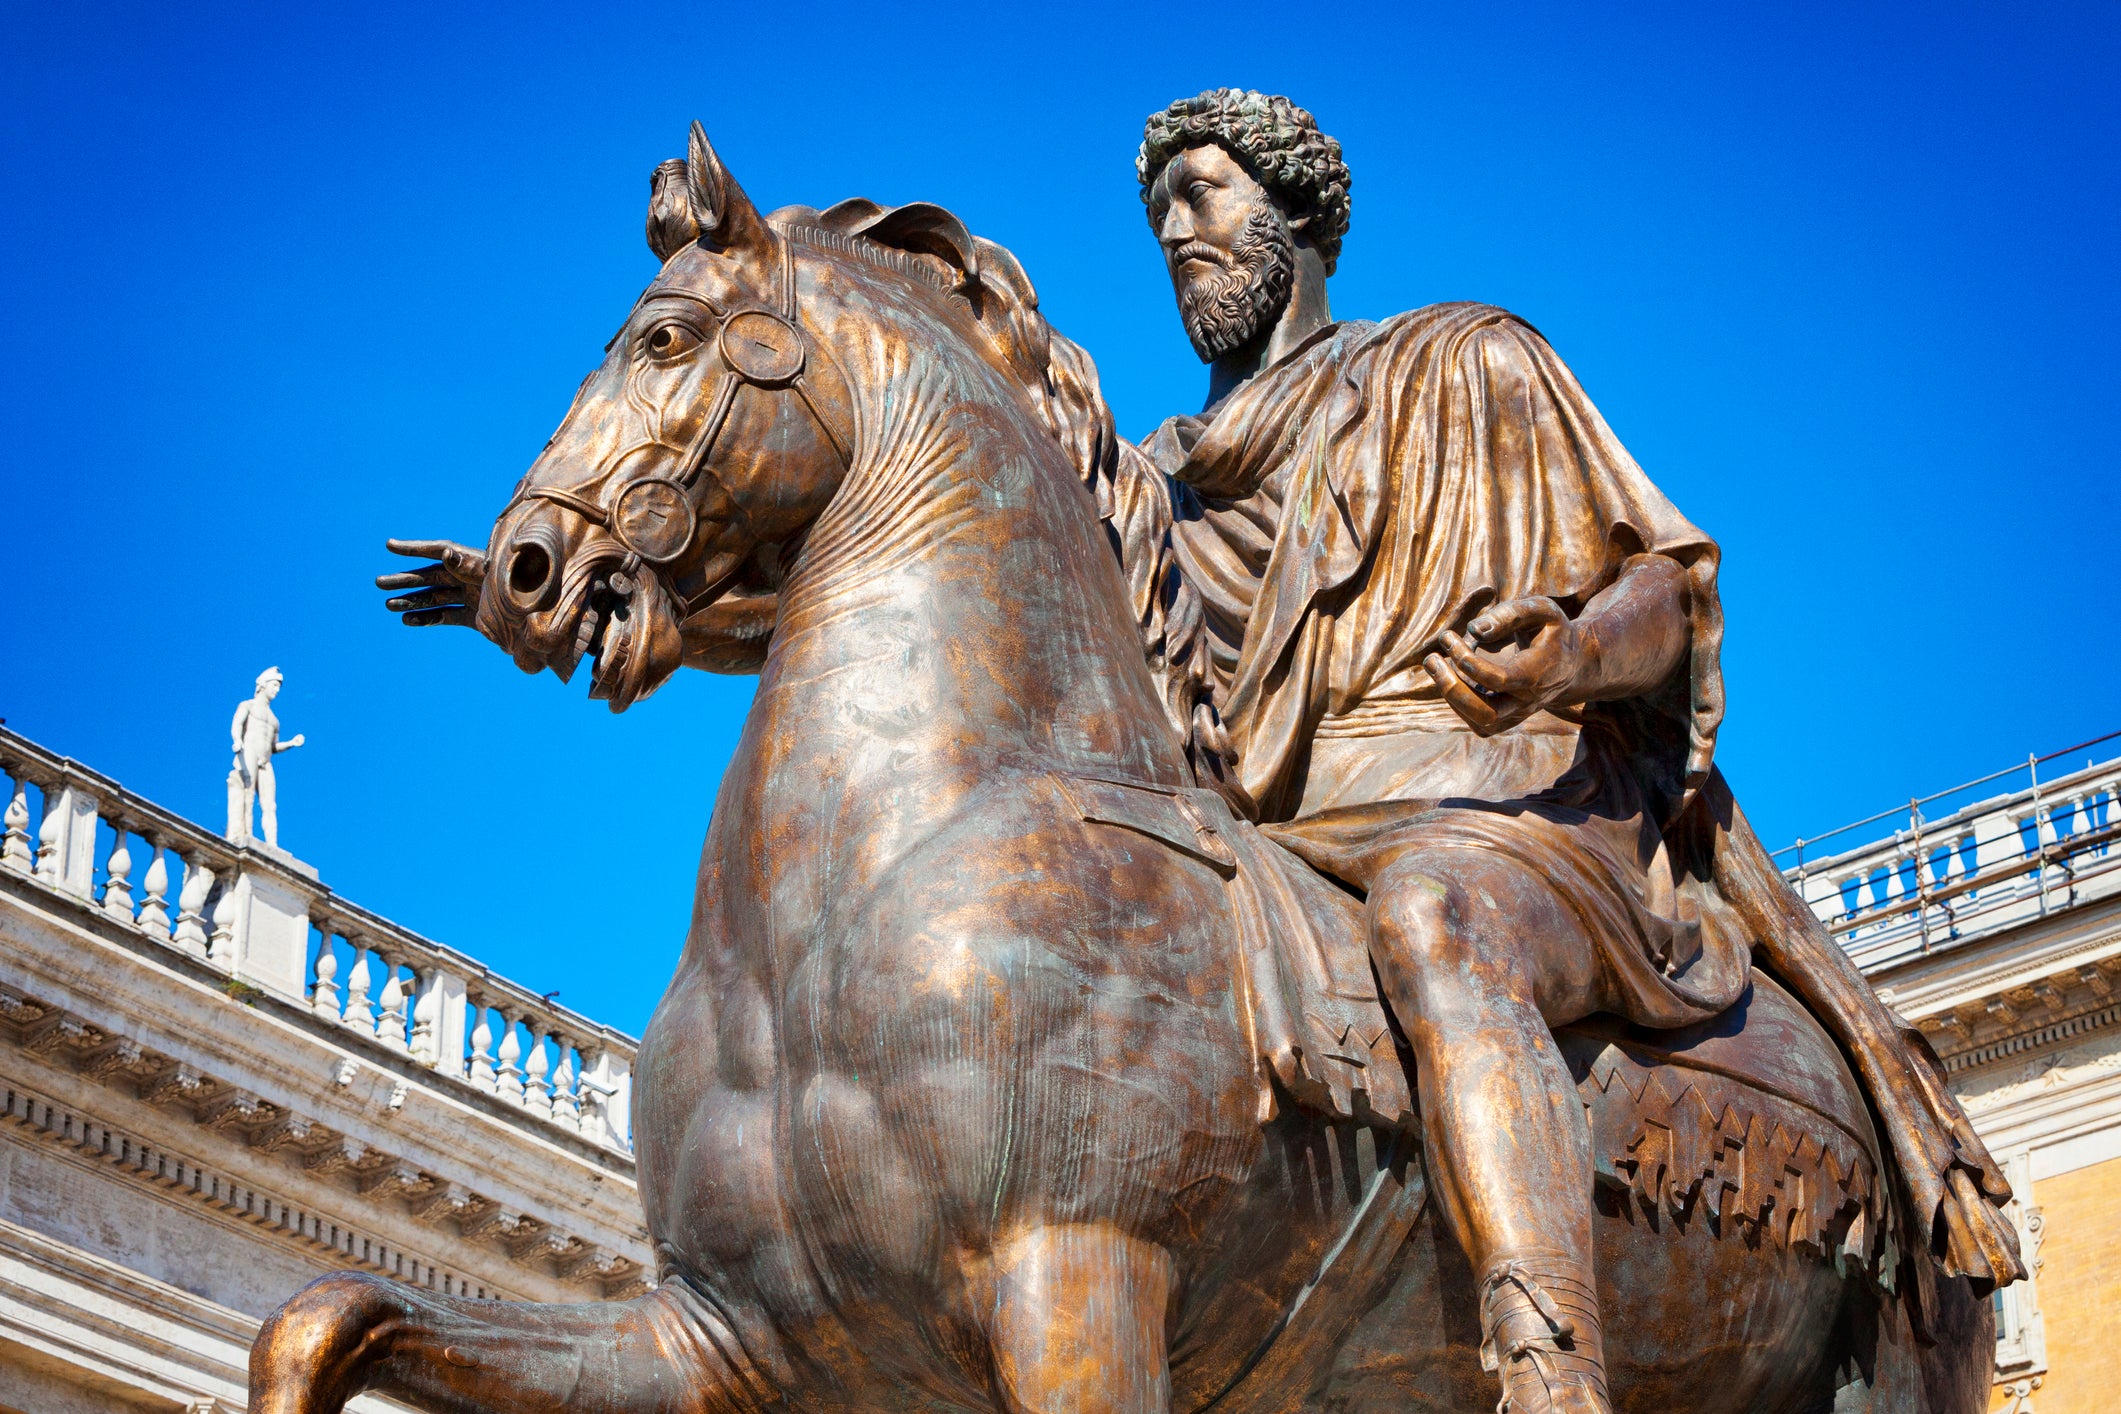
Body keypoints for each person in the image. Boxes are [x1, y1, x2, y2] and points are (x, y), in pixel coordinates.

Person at [1081, 88, 2022, 1414]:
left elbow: (1663, 589)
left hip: (1505, 815)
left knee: (1435, 912)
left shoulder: (1462, 361)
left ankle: (1549, 1369)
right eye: (1158, 210)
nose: (1176, 229)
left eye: (1205, 192)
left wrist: (1566, 657)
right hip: (1278, 837)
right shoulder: (1159, 488)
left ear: (1293, 211)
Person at [229, 666, 303, 848]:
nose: (276, 690)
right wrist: (237, 740)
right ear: (263, 685)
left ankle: (272, 844)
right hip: (249, 752)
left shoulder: (274, 720)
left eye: (278, 687)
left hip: (266, 760)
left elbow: (273, 746)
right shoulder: (247, 705)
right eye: (274, 685)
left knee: (270, 805)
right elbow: (237, 725)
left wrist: (291, 743)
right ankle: (247, 834)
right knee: (247, 794)